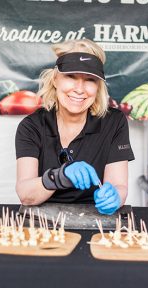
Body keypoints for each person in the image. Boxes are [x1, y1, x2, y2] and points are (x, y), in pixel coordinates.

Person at [15, 39, 134, 215]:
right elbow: (25, 194)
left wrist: (114, 197)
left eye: (90, 79)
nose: (79, 89)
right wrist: (59, 177)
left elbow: (119, 185)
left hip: (96, 218)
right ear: (55, 79)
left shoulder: (114, 122)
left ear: (98, 86)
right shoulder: (31, 126)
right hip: (43, 222)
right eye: (71, 76)